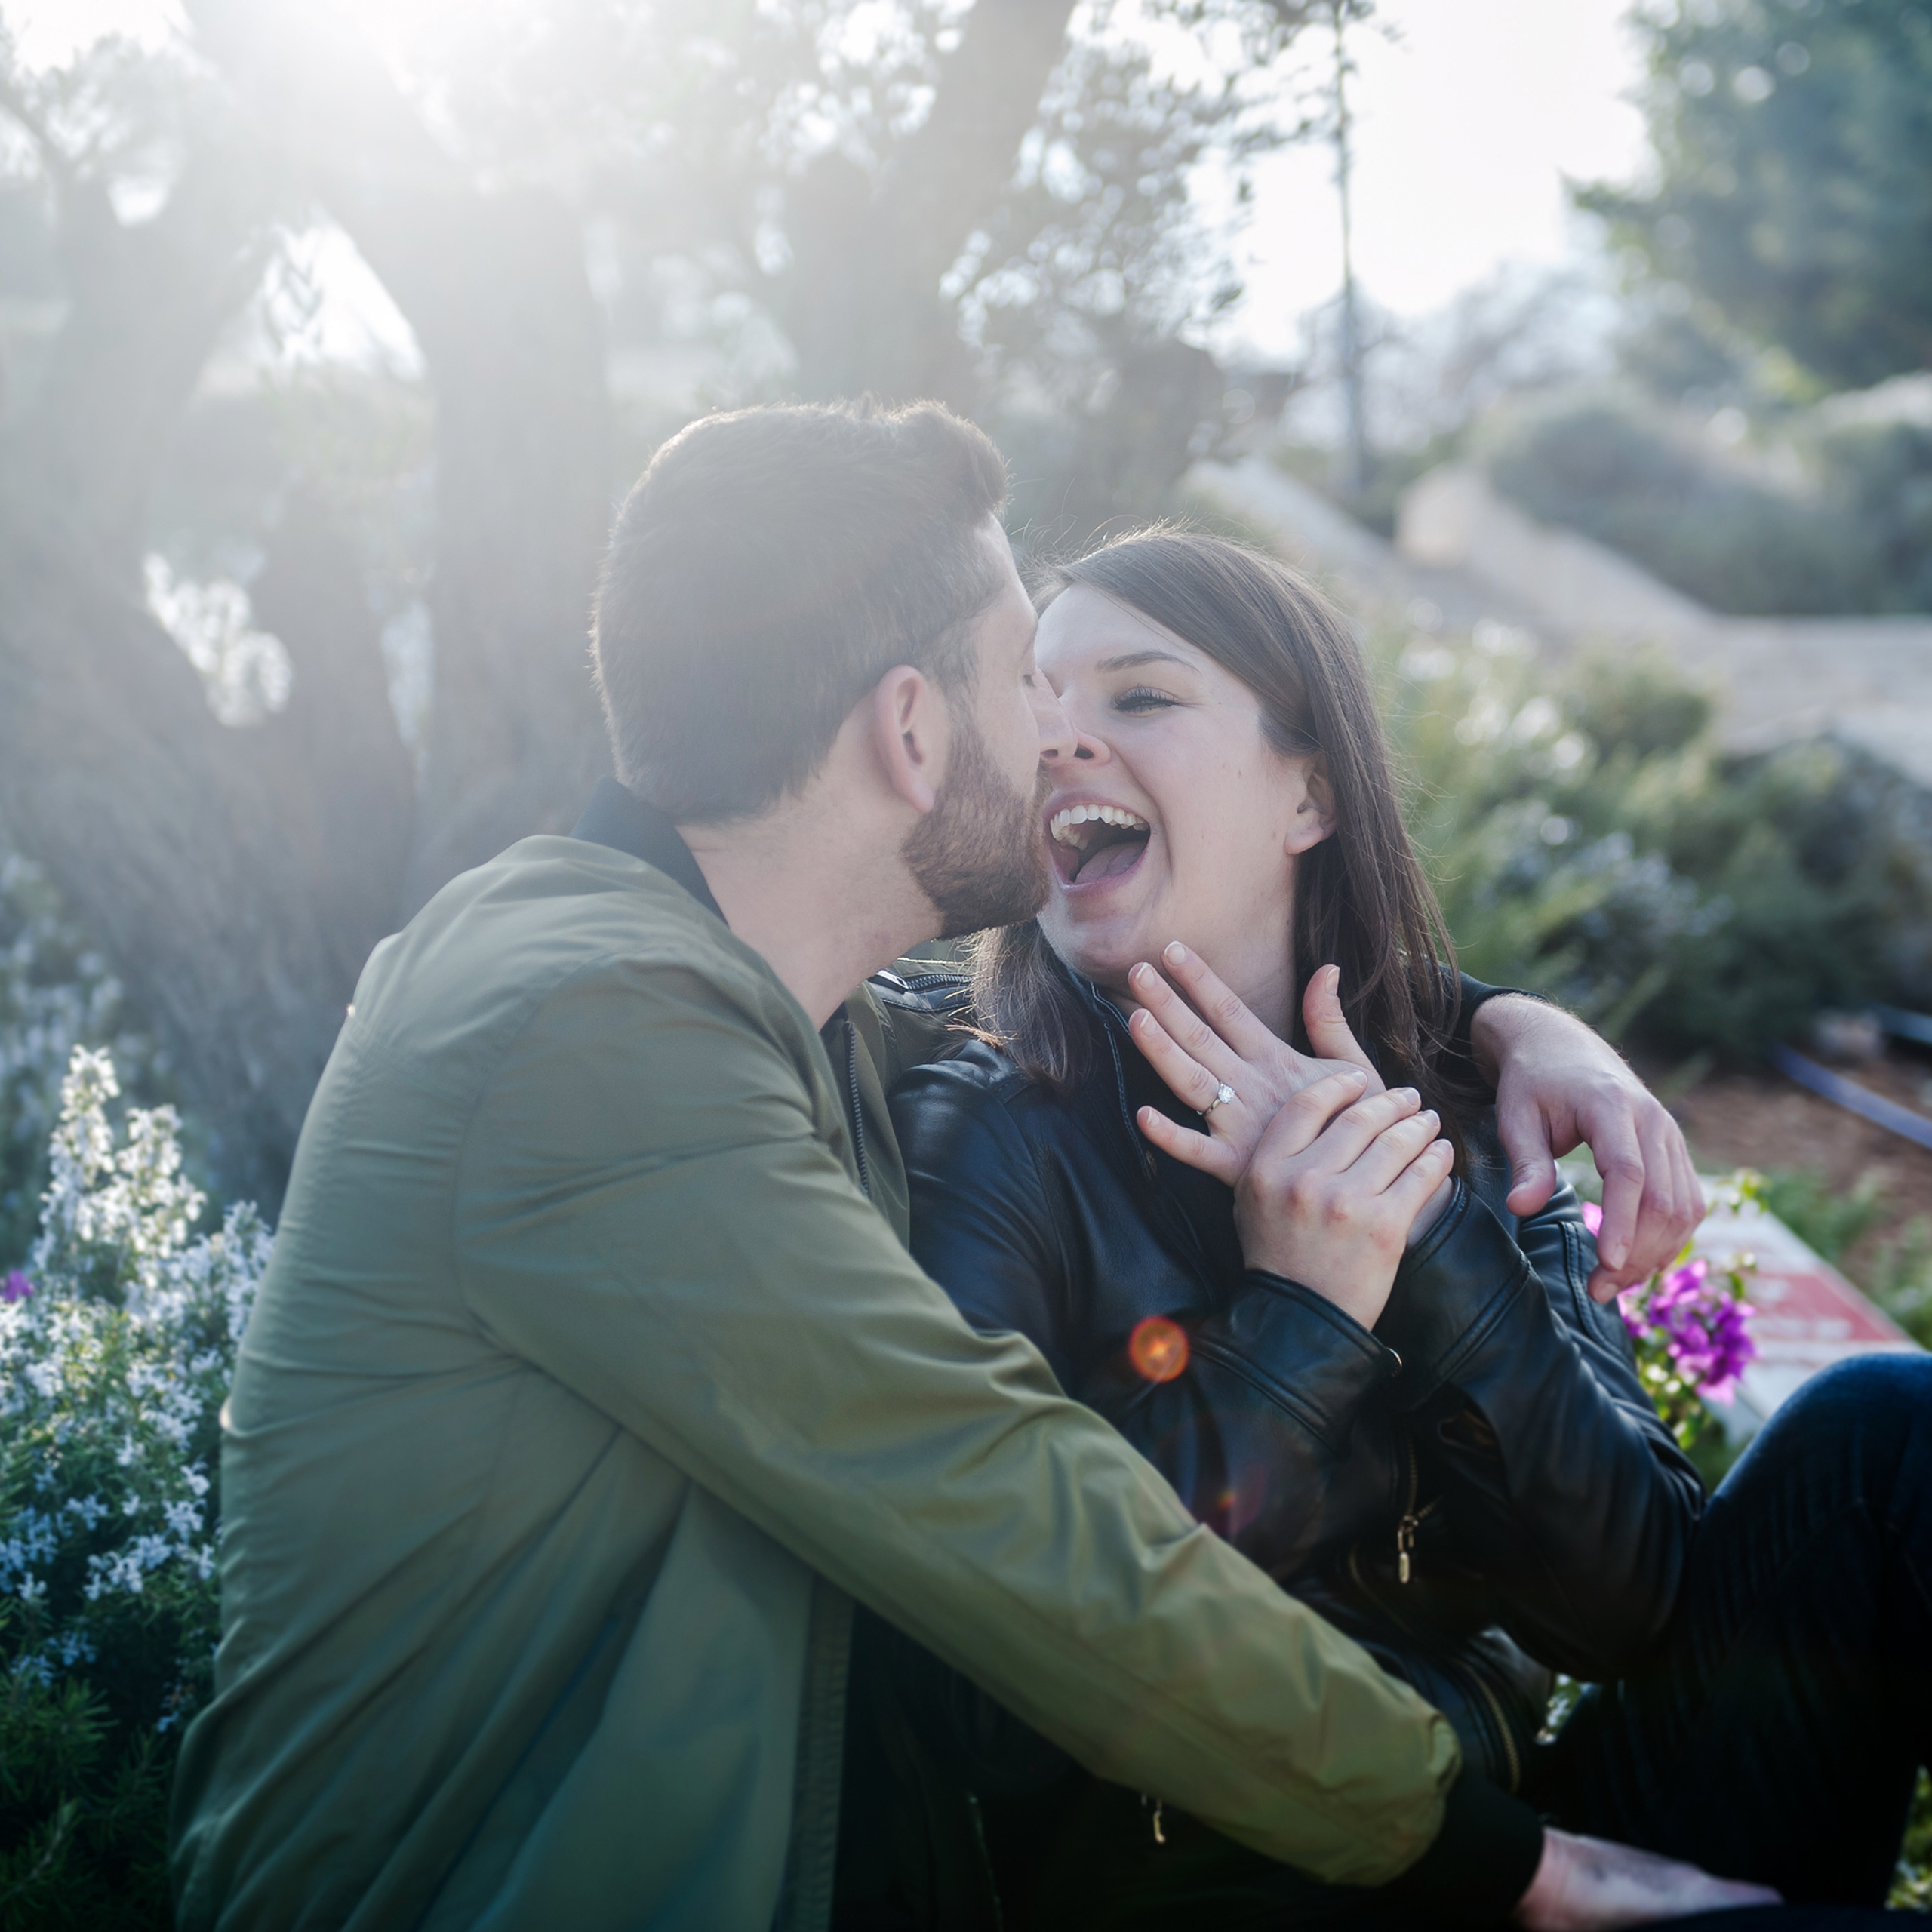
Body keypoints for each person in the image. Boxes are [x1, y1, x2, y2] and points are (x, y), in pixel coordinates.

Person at [171, 401, 1773, 1932]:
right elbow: (1031, 1529)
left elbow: (1040, 1013)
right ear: (912, 728)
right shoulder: (594, 1033)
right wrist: (1510, 1863)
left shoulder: (727, 1009)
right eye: (1029, 679)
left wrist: (1505, 1027)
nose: (1058, 732)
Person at [888, 525, 1930, 1928]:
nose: (1061, 737)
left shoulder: (1460, 1095)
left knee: (1884, 1432)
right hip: (1243, 1877)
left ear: (1309, 793)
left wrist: (1434, 1249)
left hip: (1539, 1837)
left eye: (1138, 695)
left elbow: (1633, 1605)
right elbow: (1003, 1679)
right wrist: (1300, 1318)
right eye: (1037, 697)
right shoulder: (991, 1132)